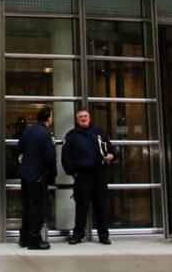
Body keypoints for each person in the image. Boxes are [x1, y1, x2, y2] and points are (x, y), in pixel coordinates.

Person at [62, 110, 116, 245]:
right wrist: (74, 173)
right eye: (80, 117)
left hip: (99, 174)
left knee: (101, 206)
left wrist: (112, 155)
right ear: (77, 120)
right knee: (81, 207)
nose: (83, 118)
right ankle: (78, 235)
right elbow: (66, 157)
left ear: (90, 118)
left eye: (85, 116)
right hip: (82, 176)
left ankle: (103, 235)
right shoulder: (72, 135)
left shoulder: (100, 133)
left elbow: (111, 149)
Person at [17, 107, 56, 250]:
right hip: (38, 175)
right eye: (52, 116)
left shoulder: (27, 131)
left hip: (25, 174)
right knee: (37, 208)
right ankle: (34, 240)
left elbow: (20, 148)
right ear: (48, 118)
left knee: (27, 206)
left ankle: (24, 238)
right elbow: (50, 157)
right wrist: (53, 174)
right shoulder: (45, 134)